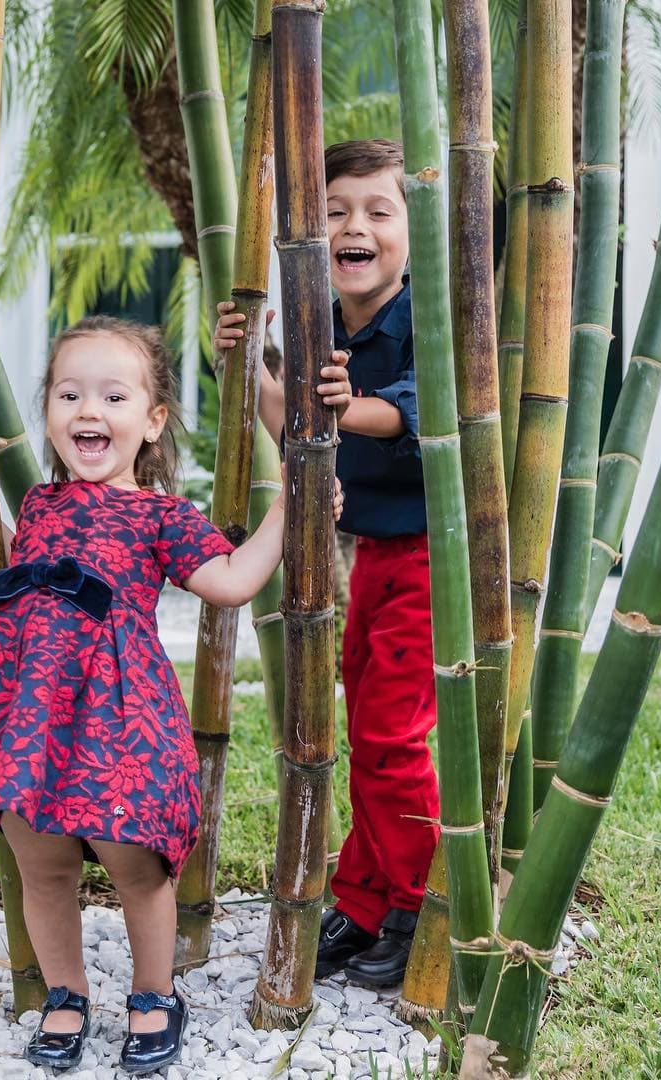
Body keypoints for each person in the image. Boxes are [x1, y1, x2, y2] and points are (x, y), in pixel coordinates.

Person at [0, 315, 346, 1074]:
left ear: (152, 422)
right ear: (48, 412)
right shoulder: (39, 506)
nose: (88, 411)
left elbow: (235, 582)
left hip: (116, 719)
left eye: (113, 396)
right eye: (69, 393)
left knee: (135, 864)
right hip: (32, 716)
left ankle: (153, 994)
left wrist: (291, 508)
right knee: (40, 864)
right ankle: (66, 994)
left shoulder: (161, 516)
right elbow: (6, 570)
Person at [215, 138, 435, 989]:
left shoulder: (427, 317)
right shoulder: (319, 321)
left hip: (433, 556)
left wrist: (359, 406)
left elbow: (423, 410)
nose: (356, 227)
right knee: (364, 729)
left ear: (414, 234)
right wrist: (249, 358)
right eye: (336, 211)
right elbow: (289, 423)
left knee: (390, 733)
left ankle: (420, 904)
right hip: (373, 554)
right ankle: (369, 899)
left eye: (379, 212)